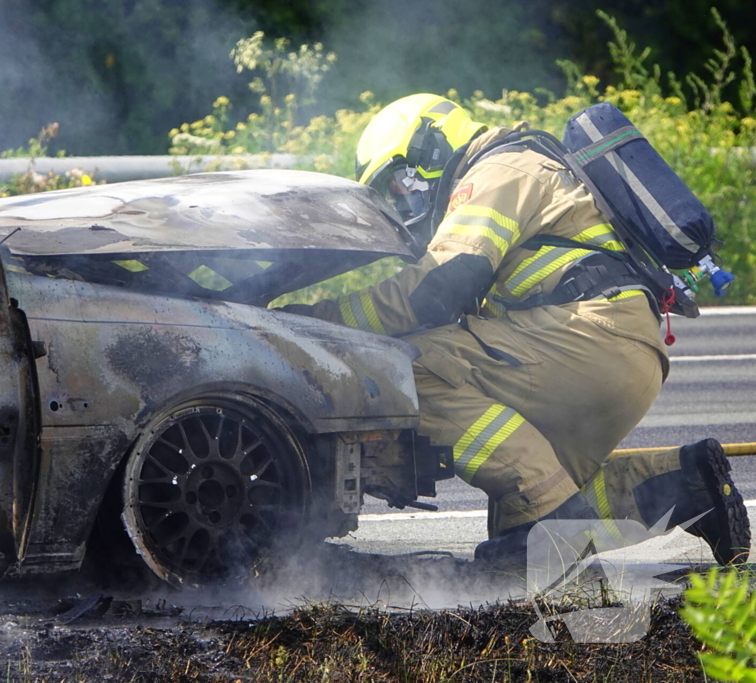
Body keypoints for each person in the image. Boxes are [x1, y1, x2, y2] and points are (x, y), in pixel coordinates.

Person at [282, 93, 750, 567]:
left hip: (583, 338)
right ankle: (690, 484)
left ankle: (547, 520)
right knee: (523, 538)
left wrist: (313, 324)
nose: (405, 200)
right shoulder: (530, 168)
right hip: (618, 350)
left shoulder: (500, 170)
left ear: (430, 146)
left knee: (404, 369)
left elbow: (437, 286)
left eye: (401, 182)